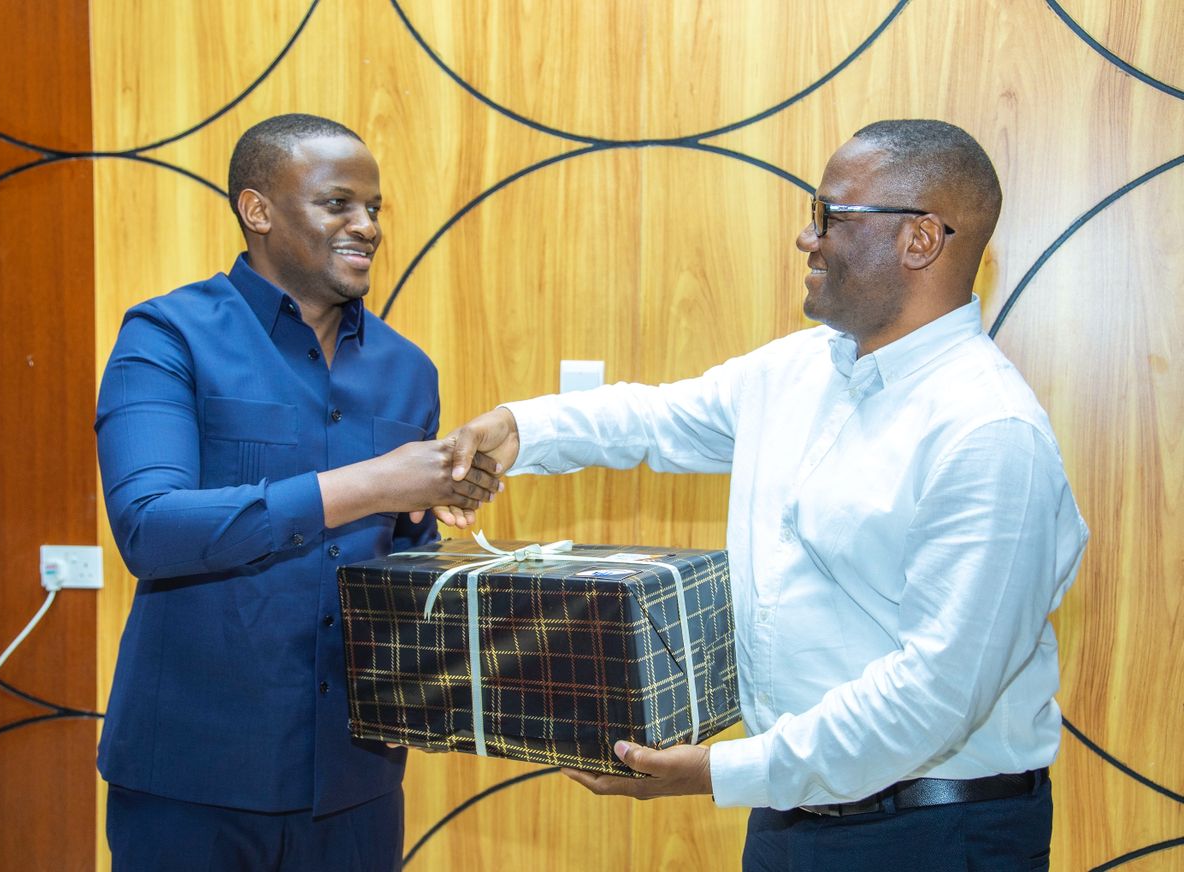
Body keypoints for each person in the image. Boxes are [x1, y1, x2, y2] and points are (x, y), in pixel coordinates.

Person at [444, 120, 1088, 870]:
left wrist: (720, 772)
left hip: (933, 835)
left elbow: (934, 694)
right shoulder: (802, 369)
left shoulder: (989, 433)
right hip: (789, 814)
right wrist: (518, 429)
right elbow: (658, 417)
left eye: (829, 215)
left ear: (919, 240)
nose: (805, 238)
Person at [96, 113, 500, 872]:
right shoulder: (166, 336)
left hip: (355, 784)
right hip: (190, 782)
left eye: (374, 207)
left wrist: (451, 509)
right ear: (258, 210)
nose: (367, 226)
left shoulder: (409, 371)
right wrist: (372, 483)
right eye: (338, 203)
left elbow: (403, 565)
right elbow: (150, 529)